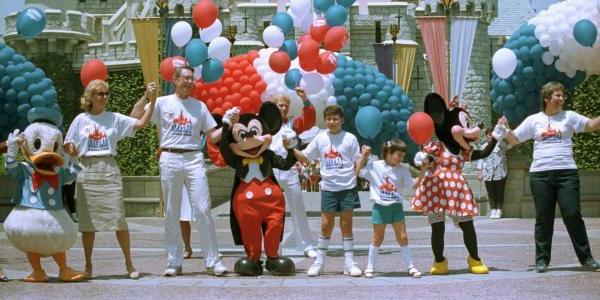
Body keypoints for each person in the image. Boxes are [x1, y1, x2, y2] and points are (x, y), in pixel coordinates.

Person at [130, 65, 232, 277]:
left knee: (203, 208)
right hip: (170, 157)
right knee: (172, 211)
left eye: (191, 79)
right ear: (175, 80)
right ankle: (174, 262)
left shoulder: (199, 106)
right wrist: (146, 96)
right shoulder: (162, 102)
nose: (189, 82)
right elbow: (136, 117)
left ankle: (213, 261)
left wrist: (229, 124)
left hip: (194, 157)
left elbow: (212, 137)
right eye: (185, 78)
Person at [501, 81, 600, 273]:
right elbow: (514, 139)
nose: (562, 98)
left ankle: (586, 259)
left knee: (572, 214)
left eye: (562, 95)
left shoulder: (569, 117)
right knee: (543, 218)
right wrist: (505, 129)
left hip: (566, 173)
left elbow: (592, 125)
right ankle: (542, 260)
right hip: (540, 174)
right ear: (547, 98)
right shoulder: (533, 120)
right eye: (557, 95)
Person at [64, 79, 157, 279]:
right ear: (90, 96)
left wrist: (152, 100)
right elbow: (68, 143)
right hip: (87, 171)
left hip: (109, 170)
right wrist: (71, 149)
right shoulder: (81, 119)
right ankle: (88, 266)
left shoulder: (114, 118)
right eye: (100, 93)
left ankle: (129, 264)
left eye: (107, 93)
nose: (105, 97)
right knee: (87, 225)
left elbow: (140, 123)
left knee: (119, 220)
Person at [293, 105, 362, 277]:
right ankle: (320, 262)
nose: (332, 122)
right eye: (329, 119)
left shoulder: (350, 138)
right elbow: (305, 157)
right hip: (329, 188)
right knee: (326, 225)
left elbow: (358, 161)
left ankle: (349, 263)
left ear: (342, 120)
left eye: (335, 119)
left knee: (346, 225)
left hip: (347, 187)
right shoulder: (320, 138)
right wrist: (289, 147)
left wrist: (357, 171)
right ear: (325, 120)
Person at [356, 139, 425, 278]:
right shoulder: (374, 165)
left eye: (403, 155)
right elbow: (358, 172)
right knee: (377, 237)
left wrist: (423, 169)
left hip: (396, 207)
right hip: (380, 207)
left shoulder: (403, 169)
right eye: (398, 155)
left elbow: (414, 184)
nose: (401, 158)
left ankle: (410, 266)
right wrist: (363, 156)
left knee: (402, 237)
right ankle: (370, 267)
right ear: (388, 153)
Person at [270, 87, 317, 258]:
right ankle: (273, 246)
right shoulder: (266, 123)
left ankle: (306, 246)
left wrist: (305, 98)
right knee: (272, 211)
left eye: (286, 105)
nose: (283, 108)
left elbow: (310, 119)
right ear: (274, 107)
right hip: (272, 170)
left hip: (289, 169)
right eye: (280, 105)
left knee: (298, 208)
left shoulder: (292, 123)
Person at [476, 128, 510, 219]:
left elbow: (511, 144)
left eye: (492, 134)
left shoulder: (501, 144)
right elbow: (480, 160)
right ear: (486, 135)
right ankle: (493, 210)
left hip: (500, 172)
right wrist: (479, 172)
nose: (490, 136)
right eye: (488, 134)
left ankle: (499, 210)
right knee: (490, 192)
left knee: (499, 191)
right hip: (487, 172)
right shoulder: (483, 147)